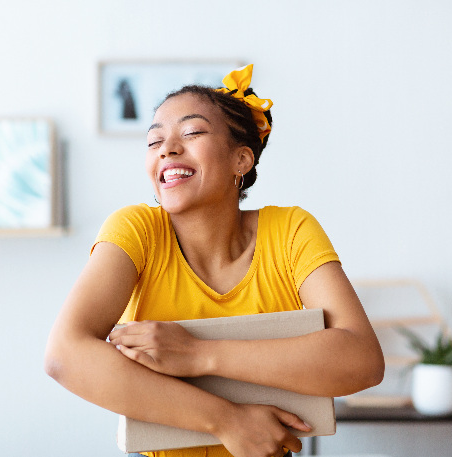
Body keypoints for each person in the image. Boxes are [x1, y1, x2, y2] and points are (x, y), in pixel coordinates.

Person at [44, 64, 385, 457]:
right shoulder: (135, 229)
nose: (167, 149)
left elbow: (362, 360)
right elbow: (64, 355)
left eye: (192, 133)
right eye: (154, 142)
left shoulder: (292, 229)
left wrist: (197, 354)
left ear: (241, 160)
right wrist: (228, 420)